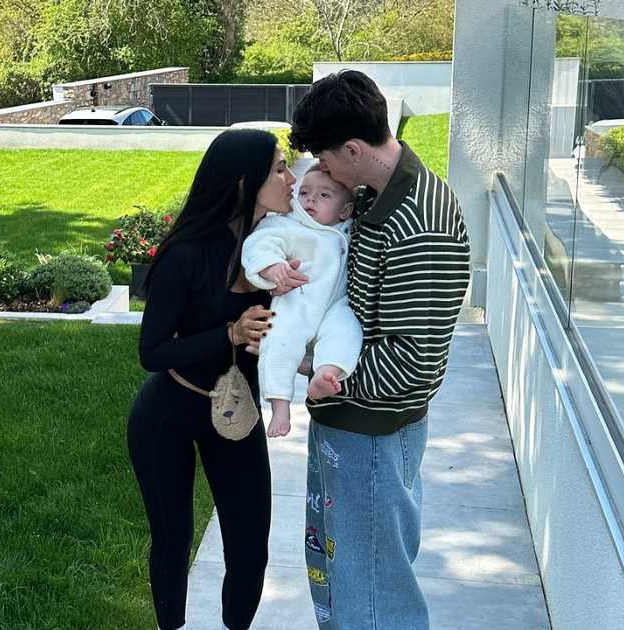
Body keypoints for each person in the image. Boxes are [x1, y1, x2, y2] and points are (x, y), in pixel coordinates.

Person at [286, 70, 472, 629]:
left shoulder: (422, 224)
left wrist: (313, 363)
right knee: (346, 576)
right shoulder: (372, 194)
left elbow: (410, 360)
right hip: (349, 421)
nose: (320, 169)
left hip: (373, 431)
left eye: (324, 156)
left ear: (353, 148)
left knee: (372, 589)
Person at [126, 128, 299, 630]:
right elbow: (153, 352)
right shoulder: (186, 254)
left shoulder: (277, 246)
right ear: (244, 183)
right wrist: (229, 333)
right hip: (170, 411)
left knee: (250, 543)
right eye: (280, 168)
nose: (291, 179)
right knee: (173, 538)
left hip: (236, 411)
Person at [241, 164, 363, 438]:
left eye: (324, 196)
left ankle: (325, 373)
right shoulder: (288, 224)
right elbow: (260, 244)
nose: (310, 199)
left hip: (335, 305)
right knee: (279, 341)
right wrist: (272, 267)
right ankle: (280, 405)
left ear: (344, 211)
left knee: (347, 331)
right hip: (298, 301)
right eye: (305, 192)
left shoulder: (347, 229)